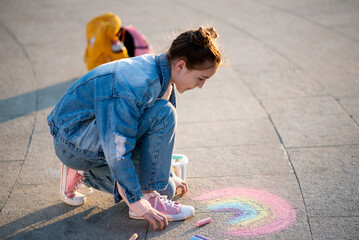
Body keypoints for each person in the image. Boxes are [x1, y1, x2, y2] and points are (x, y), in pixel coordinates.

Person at [47, 26, 222, 231]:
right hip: (74, 141)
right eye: (201, 78)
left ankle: (89, 174)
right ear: (181, 65)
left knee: (167, 187)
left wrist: (165, 173)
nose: (201, 86)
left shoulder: (162, 75)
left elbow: (145, 133)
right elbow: (117, 149)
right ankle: (84, 171)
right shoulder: (137, 86)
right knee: (164, 116)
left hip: (93, 135)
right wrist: (138, 200)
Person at [84, 12, 152, 71]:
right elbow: (124, 64)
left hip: (91, 65)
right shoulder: (113, 40)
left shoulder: (93, 28)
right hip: (101, 69)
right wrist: (119, 50)